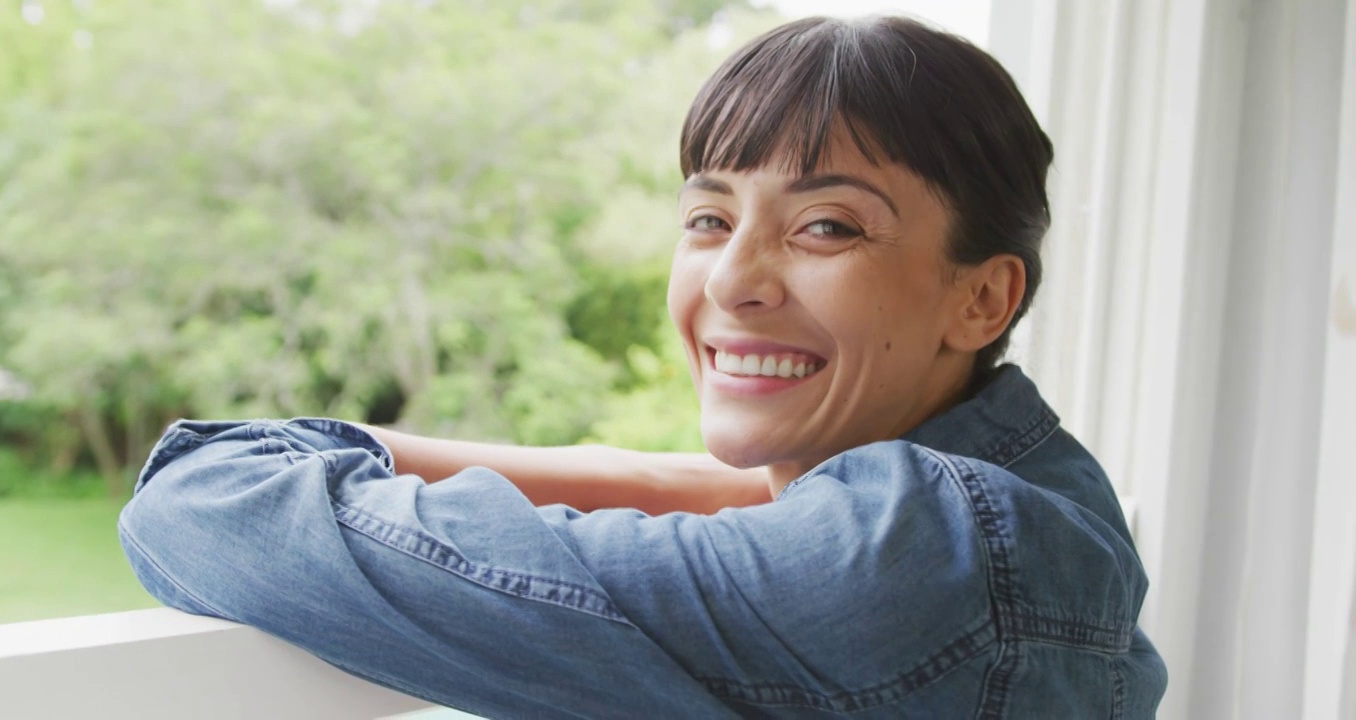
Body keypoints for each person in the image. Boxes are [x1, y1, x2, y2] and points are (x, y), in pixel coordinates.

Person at [119, 15, 1168, 718]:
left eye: (826, 226)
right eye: (709, 217)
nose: (733, 279)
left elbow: (203, 503)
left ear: (980, 297)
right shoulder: (1042, 494)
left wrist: (646, 477)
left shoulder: (914, 556)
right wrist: (703, 485)